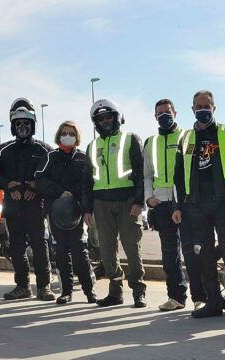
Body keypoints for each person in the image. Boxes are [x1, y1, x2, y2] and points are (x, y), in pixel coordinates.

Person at [172, 90, 225, 324]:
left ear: (214, 107)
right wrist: (177, 206)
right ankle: (213, 303)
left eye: (208, 105)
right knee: (203, 256)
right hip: (195, 205)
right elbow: (177, 176)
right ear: (192, 109)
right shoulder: (185, 138)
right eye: (199, 106)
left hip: (224, 204)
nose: (203, 109)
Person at [82, 99, 147, 308]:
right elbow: (87, 181)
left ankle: (138, 291)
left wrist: (139, 201)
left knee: (131, 247)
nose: (105, 121)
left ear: (117, 117)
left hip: (127, 202)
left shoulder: (130, 139)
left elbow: (140, 173)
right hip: (101, 203)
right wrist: (87, 209)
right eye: (100, 119)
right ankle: (115, 291)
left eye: (108, 117)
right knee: (107, 250)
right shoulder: (93, 146)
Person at [143, 99, 206, 312]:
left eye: (167, 112)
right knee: (169, 254)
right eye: (159, 113)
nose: (164, 116)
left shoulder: (188, 136)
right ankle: (176, 297)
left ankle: (200, 297)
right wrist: (149, 197)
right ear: (155, 116)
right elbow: (147, 175)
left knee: (192, 250)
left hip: (186, 203)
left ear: (175, 113)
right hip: (161, 204)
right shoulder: (150, 142)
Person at [0, 98, 54, 301]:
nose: (22, 127)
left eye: (26, 123)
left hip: (36, 206)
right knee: (16, 246)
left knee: (39, 245)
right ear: (12, 125)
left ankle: (44, 286)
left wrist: (37, 188)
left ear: (33, 124)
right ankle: (22, 286)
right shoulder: (3, 150)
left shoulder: (44, 149)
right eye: (18, 123)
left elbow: (53, 176)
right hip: (12, 206)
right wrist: (8, 184)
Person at [35, 121, 96, 304]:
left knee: (80, 252)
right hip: (56, 212)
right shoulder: (50, 157)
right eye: (64, 133)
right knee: (61, 252)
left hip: (77, 212)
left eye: (71, 133)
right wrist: (59, 191)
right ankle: (66, 292)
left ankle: (89, 291)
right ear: (59, 135)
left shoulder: (83, 158)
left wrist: (87, 210)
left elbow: (88, 185)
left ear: (76, 136)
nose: (67, 136)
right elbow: (40, 180)